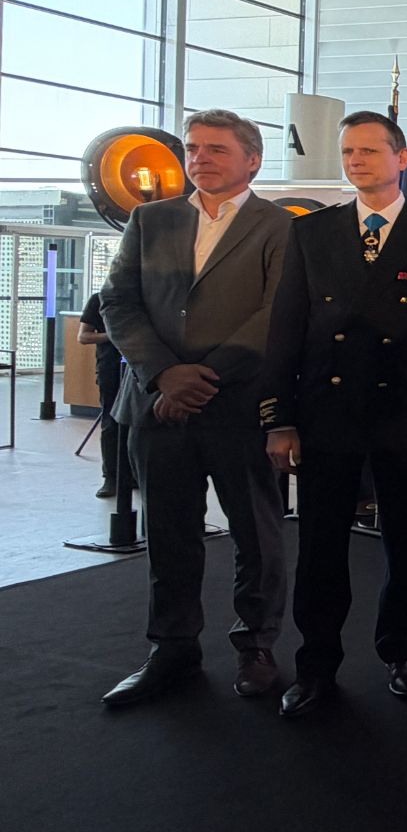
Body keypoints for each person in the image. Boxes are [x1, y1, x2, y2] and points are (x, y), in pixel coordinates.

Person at [260, 111, 407, 717]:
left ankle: (403, 653)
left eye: (370, 151)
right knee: (320, 547)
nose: (356, 161)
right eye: (348, 151)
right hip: (328, 412)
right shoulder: (311, 232)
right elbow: (286, 328)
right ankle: (316, 664)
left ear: (403, 159)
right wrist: (279, 416)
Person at [99, 109, 293, 706]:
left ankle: (255, 646)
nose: (199, 158)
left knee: (256, 535)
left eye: (216, 149)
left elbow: (277, 313)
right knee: (168, 533)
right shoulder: (150, 219)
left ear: (252, 160)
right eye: (193, 148)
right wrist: (165, 375)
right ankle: (172, 648)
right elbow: (118, 302)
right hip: (158, 406)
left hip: (237, 405)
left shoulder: (282, 226)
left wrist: (201, 379)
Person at [78, 291, 126, 499]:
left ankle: (133, 474)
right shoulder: (99, 299)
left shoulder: (144, 297)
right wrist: (113, 336)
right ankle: (111, 477)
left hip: (142, 369)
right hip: (110, 368)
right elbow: (84, 336)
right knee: (111, 422)